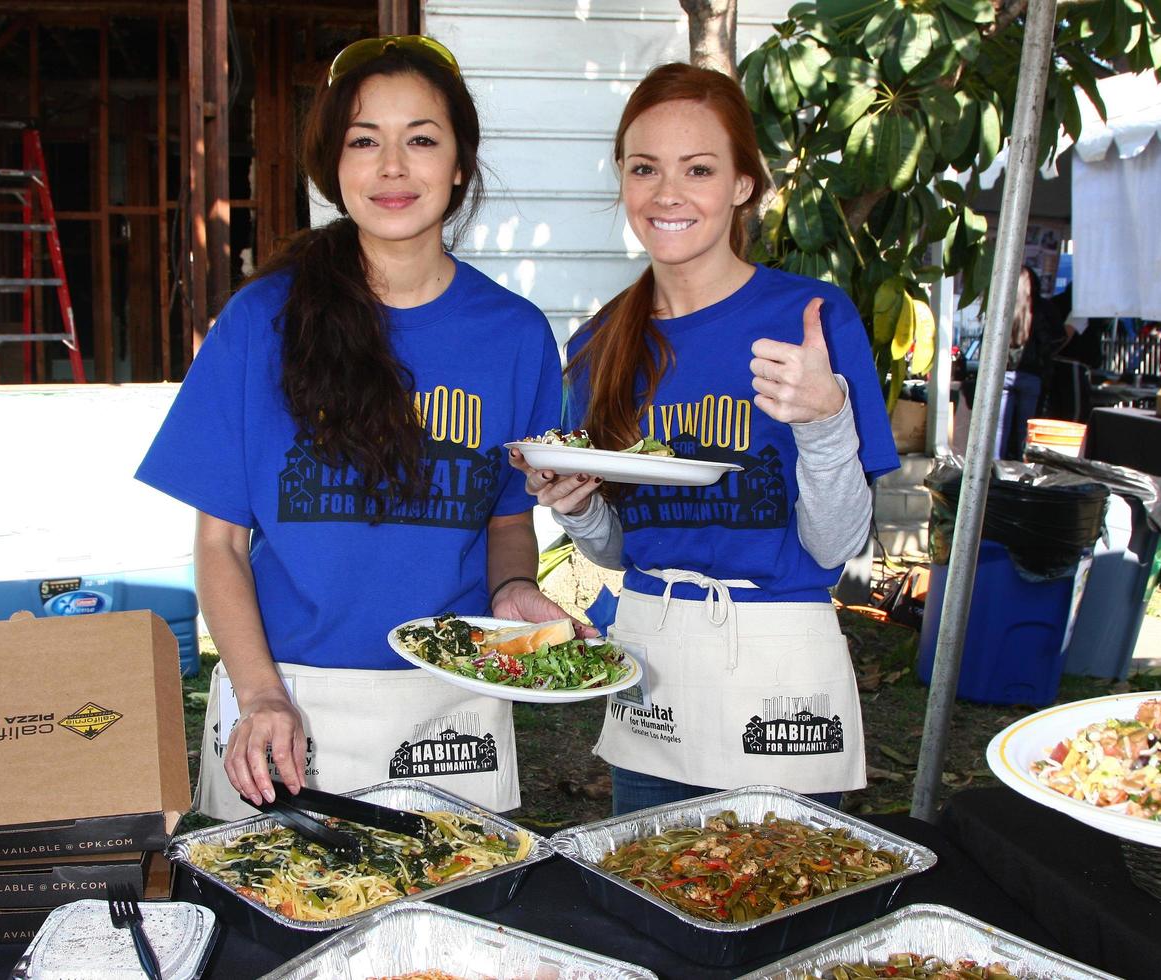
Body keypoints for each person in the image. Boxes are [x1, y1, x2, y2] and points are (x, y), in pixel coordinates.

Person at [136, 35, 573, 818]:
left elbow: (509, 522)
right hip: (282, 704)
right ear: (334, 169)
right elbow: (219, 545)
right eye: (364, 141)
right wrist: (262, 694)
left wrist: (513, 587)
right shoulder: (261, 323)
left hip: (451, 706)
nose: (393, 167)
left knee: (449, 936)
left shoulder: (514, 335)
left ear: (461, 162)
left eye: (422, 140)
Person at [511, 63, 899, 815]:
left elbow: (835, 546)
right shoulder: (599, 346)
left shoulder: (811, 320)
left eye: (698, 169)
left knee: (793, 910)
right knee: (651, 904)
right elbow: (621, 551)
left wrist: (824, 424)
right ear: (623, 180)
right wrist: (579, 508)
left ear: (742, 186)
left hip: (783, 668)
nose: (668, 193)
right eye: (644, 168)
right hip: (653, 667)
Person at [998, 266, 1063, 457]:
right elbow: (1056, 338)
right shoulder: (1043, 308)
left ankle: (993, 472)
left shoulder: (1003, 305)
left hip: (1004, 372)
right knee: (1025, 432)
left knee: (999, 430)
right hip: (1032, 374)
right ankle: (1020, 473)